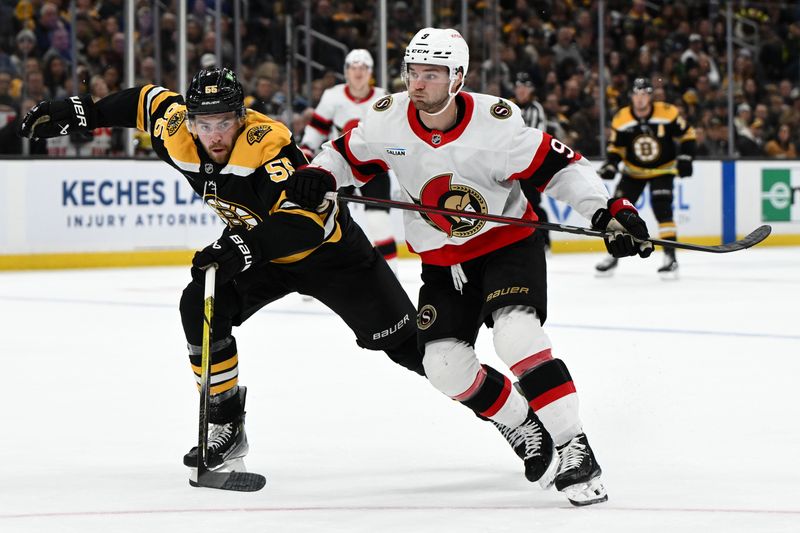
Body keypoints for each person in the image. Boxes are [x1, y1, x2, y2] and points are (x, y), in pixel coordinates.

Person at [17, 67, 549, 486]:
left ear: (241, 115)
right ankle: (227, 421)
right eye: (205, 123)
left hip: (329, 256)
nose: (215, 134)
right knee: (200, 304)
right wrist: (77, 111)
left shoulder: (268, 144)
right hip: (260, 255)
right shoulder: (174, 125)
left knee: (418, 354)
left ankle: (513, 415)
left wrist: (240, 247)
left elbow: (303, 224)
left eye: (225, 121)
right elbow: (138, 100)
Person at [286, 28, 653, 506]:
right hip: (443, 262)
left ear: (457, 77)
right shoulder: (389, 119)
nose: (417, 84)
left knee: (516, 337)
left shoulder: (496, 123)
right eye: (412, 73)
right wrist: (319, 173)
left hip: (506, 246)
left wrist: (607, 211)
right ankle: (523, 423)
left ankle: (575, 448)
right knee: (442, 367)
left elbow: (561, 166)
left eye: (431, 74)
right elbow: (343, 153)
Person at [300, 49, 398, 272]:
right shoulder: (332, 96)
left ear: (370, 72)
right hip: (339, 164)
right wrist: (306, 155)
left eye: (363, 68)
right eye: (353, 67)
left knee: (378, 221)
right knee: (326, 221)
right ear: (346, 71)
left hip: (373, 167)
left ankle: (391, 275)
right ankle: (315, 274)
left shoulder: (382, 98)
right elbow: (317, 129)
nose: (358, 72)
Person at [597, 77, 696, 279]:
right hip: (633, 171)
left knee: (662, 208)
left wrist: (686, 157)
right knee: (616, 211)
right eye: (637, 94)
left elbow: (688, 134)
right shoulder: (622, 118)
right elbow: (616, 148)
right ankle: (613, 255)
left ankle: (670, 257)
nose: (640, 99)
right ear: (632, 96)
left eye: (644, 94)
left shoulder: (668, 113)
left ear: (650, 96)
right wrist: (611, 164)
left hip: (663, 170)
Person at [512, 71, 550, 250]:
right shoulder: (508, 106)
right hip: (510, 164)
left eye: (525, 87)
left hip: (530, 164)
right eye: (519, 87)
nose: (521, 91)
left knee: (533, 204)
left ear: (531, 90)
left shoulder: (536, 109)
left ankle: (544, 241)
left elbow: (534, 137)